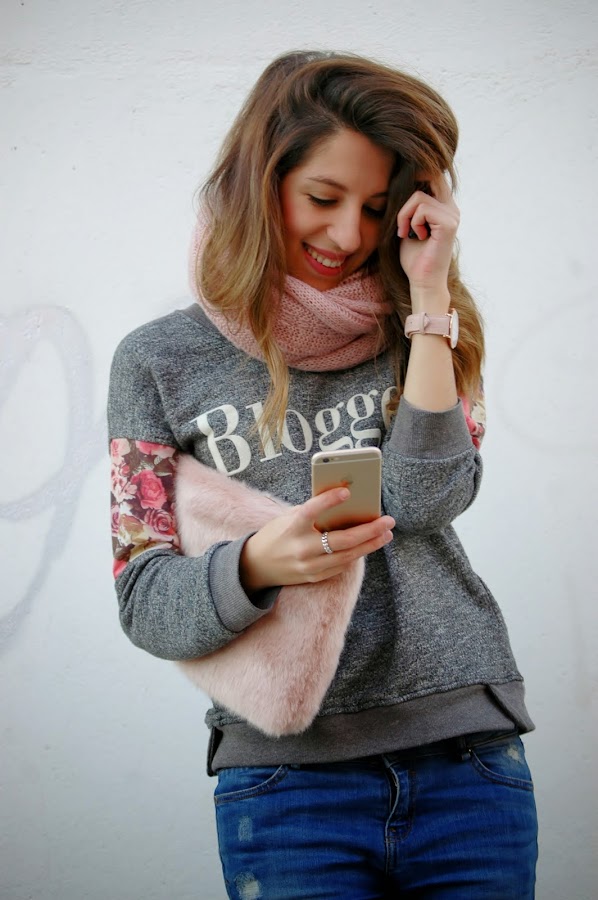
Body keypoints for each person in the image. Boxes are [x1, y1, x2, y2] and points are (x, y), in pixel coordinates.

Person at [108, 50, 538, 899]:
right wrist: (256, 565)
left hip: (466, 758)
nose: (348, 236)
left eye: (376, 208)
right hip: (287, 786)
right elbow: (145, 601)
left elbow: (430, 498)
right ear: (258, 186)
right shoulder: (157, 361)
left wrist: (429, 300)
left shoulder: (427, 326)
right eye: (322, 198)